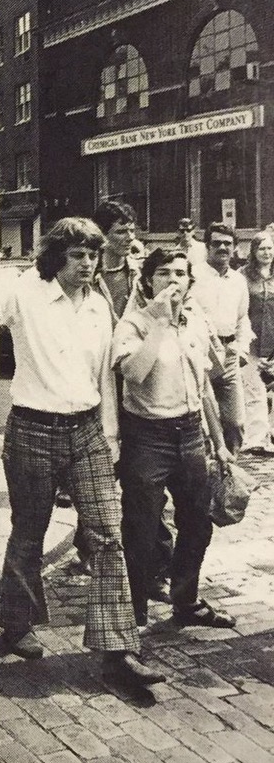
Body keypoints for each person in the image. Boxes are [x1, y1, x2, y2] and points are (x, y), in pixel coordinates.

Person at [0, 218, 162, 689]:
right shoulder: (25, 292)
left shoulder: (98, 307)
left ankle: (118, 651)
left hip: (86, 430)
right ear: (56, 256)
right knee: (29, 531)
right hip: (32, 428)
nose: (88, 264)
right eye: (77, 256)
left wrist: (110, 436)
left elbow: (104, 377)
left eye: (92, 255)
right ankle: (15, 624)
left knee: (109, 534)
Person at [114, 248, 235, 631]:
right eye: (163, 273)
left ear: (189, 282)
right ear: (148, 281)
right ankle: (132, 618)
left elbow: (204, 389)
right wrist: (160, 325)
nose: (172, 281)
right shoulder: (132, 324)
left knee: (198, 522)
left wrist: (220, 443)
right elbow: (133, 374)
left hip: (190, 434)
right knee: (142, 528)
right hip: (148, 437)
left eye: (180, 274)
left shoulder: (196, 323)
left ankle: (186, 599)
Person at [190, 222, 251, 454]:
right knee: (202, 425)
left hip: (229, 355)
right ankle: (205, 481)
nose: (222, 248)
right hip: (200, 354)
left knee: (235, 423)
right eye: (217, 243)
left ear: (235, 248)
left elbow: (243, 318)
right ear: (207, 246)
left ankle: (230, 477)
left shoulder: (239, 280)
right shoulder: (193, 275)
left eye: (228, 243)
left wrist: (241, 349)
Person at [241, 231, 274, 454]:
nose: (267, 252)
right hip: (251, 341)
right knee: (254, 391)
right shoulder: (242, 276)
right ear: (253, 251)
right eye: (262, 248)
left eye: (270, 248)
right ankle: (256, 440)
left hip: (272, 339)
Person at [92, 200, 140, 320]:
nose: (131, 237)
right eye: (121, 232)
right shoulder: (89, 275)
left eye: (132, 230)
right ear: (102, 234)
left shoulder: (139, 273)